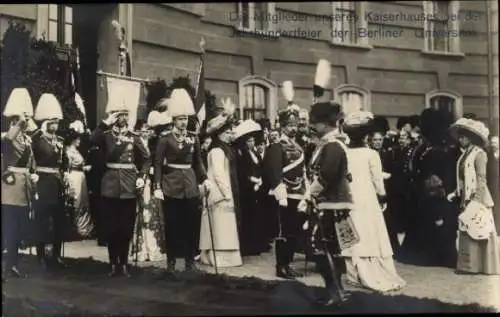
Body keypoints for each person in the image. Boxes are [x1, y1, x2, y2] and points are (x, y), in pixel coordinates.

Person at [340, 111, 406, 292]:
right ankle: (370, 271)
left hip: (349, 197)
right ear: (366, 136)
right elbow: (378, 182)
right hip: (367, 197)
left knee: (352, 231)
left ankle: (353, 274)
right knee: (369, 232)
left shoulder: (344, 152)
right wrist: (382, 196)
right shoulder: (371, 154)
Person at [305, 100, 357, 307]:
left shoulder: (333, 146)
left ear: (325, 124)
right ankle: (337, 291)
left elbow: (326, 176)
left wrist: (308, 195)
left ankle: (335, 293)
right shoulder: (331, 144)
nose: (312, 126)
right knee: (331, 248)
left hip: (330, 204)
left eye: (315, 123)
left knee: (321, 247)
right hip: (330, 203)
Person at [153, 88, 210, 273]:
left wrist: (205, 179)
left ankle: (189, 261)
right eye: (180, 119)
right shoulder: (165, 139)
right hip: (171, 186)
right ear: (173, 120)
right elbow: (158, 164)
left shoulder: (194, 139)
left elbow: (198, 162)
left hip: (190, 186)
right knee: (172, 226)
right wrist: (157, 186)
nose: (183, 122)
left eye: (185, 118)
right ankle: (170, 261)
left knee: (190, 225)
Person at [89, 102, 149, 277]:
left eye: (125, 115)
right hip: (109, 186)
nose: (123, 118)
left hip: (129, 186)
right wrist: (104, 122)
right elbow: (91, 139)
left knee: (125, 227)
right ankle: (112, 263)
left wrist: (141, 177)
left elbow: (146, 158)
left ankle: (123, 263)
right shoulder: (106, 135)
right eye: (119, 114)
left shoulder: (134, 136)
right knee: (111, 227)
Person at [448, 118, 500, 275]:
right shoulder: (465, 154)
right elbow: (463, 178)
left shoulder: (479, 154)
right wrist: (456, 192)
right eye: (460, 137)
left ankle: (481, 266)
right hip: (466, 196)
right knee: (467, 228)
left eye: (463, 137)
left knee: (478, 228)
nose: (460, 140)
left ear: (471, 138)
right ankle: (468, 266)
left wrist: (477, 200)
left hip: (479, 197)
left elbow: (481, 179)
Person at [262, 105, 308, 280]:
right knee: (283, 232)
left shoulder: (299, 145)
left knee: (294, 232)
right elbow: (273, 171)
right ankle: (281, 266)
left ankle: (288, 264)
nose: (293, 128)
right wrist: (279, 190)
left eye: (295, 124)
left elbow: (302, 170)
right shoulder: (276, 146)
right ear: (282, 126)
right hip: (284, 195)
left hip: (297, 193)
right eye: (289, 125)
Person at [199, 98, 242, 268]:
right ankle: (215, 256)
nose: (232, 135)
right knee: (219, 227)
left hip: (224, 192)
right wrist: (226, 193)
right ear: (221, 134)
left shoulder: (226, 149)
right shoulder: (217, 149)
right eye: (229, 132)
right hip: (218, 194)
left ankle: (227, 257)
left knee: (225, 227)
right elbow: (217, 174)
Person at [1, 88, 39, 278]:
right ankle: (10, 264)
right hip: (10, 188)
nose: (23, 125)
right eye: (18, 122)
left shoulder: (27, 141)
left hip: (24, 188)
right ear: (13, 122)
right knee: (10, 227)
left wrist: (34, 175)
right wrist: (20, 119)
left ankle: (13, 262)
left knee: (20, 227)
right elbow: (9, 138)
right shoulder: (7, 138)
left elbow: (32, 162)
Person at [30, 93, 68, 269]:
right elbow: (31, 157)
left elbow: (64, 160)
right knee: (42, 221)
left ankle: (56, 255)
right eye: (52, 122)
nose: (55, 125)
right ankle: (40, 256)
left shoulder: (60, 140)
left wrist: (65, 173)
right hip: (43, 183)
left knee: (59, 221)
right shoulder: (37, 139)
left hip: (57, 183)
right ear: (46, 122)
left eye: (57, 122)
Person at [130, 110, 171, 262]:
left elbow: (157, 160)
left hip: (152, 180)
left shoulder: (154, 144)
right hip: (141, 179)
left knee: (153, 211)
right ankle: (141, 248)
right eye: (144, 129)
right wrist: (138, 173)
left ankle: (155, 247)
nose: (147, 132)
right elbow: (133, 160)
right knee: (142, 211)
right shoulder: (135, 142)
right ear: (139, 130)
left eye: (149, 129)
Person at [233, 119, 268, 256]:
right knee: (249, 217)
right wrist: (252, 180)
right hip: (248, 189)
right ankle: (248, 246)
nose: (251, 143)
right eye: (249, 141)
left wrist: (260, 180)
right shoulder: (243, 155)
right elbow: (242, 172)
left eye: (253, 141)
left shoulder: (255, 153)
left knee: (257, 217)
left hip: (258, 187)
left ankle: (258, 243)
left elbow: (259, 167)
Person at [63, 120, 94, 241]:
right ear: (73, 140)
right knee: (76, 201)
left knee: (83, 202)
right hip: (74, 177)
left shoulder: (76, 151)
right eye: (77, 139)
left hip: (81, 177)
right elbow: (68, 167)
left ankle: (84, 228)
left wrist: (85, 168)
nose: (79, 141)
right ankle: (76, 228)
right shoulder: (68, 151)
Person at [487, 135, 500, 234]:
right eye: (492, 143)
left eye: (495, 142)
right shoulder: (488, 157)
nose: (493, 145)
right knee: (495, 208)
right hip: (493, 188)